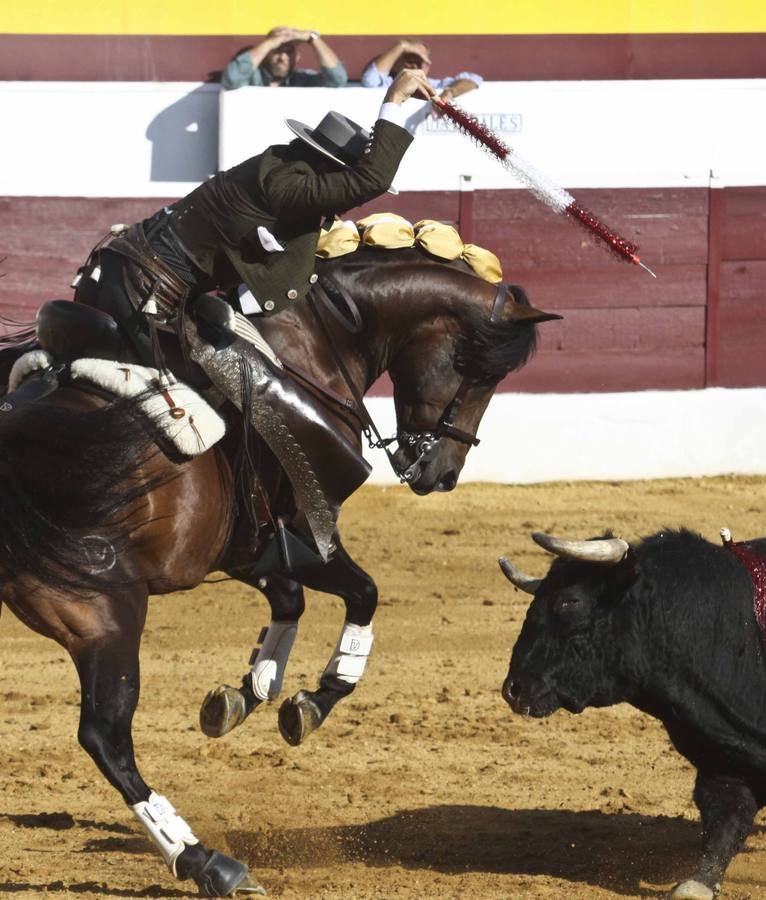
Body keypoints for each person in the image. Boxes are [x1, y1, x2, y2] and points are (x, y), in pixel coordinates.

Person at [56, 68, 437, 566]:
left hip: (146, 277)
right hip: (144, 291)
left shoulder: (282, 168)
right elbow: (372, 179)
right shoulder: (289, 186)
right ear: (325, 168)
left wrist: (412, 113)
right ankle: (101, 512)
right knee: (173, 404)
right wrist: (393, 101)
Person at [359, 38, 481, 109]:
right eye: (410, 60)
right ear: (395, 63)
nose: (415, 66)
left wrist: (450, 92)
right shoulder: (389, 84)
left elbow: (474, 79)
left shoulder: (435, 85)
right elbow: (370, 79)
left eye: (421, 61)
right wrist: (402, 46)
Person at [221, 26, 347, 90]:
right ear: (266, 53)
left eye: (289, 52)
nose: (282, 57)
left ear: (297, 57)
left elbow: (338, 80)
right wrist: (270, 42)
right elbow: (232, 79)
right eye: (276, 50)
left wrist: (312, 38)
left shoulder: (302, 80)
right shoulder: (252, 78)